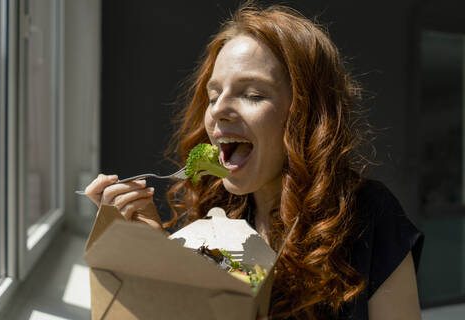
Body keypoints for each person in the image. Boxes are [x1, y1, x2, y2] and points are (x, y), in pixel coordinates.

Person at [84, 3, 424, 319]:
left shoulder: (367, 214)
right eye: (213, 95)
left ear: (306, 114)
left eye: (252, 94)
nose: (217, 109)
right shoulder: (216, 219)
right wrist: (152, 247)